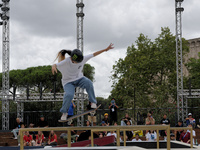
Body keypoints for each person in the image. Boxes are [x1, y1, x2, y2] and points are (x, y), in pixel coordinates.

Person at [52, 43, 114, 120]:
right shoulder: (66, 62)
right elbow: (55, 64)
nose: (79, 63)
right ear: (72, 59)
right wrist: (53, 67)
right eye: (77, 62)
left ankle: (93, 102)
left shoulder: (83, 58)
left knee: (89, 83)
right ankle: (64, 112)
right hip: (68, 82)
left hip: (79, 79)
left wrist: (105, 49)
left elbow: (94, 54)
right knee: (69, 95)